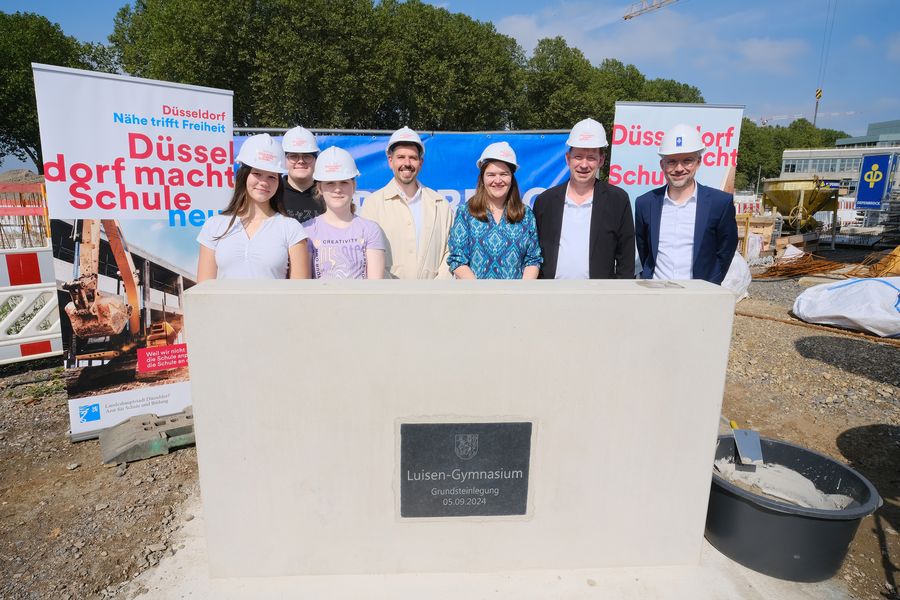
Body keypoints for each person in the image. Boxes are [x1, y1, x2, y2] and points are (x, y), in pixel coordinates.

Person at [197, 133, 310, 281]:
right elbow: (204, 290)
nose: (264, 182)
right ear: (244, 176)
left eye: (271, 176)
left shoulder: (291, 228)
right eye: (257, 173)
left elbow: (299, 293)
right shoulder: (215, 225)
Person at [634, 123, 738, 284]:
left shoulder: (720, 203)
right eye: (671, 161)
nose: (679, 168)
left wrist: (709, 285)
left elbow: (726, 250)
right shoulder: (645, 203)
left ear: (698, 162)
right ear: (662, 165)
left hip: (699, 297)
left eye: (687, 161)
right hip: (656, 294)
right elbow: (644, 250)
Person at [532, 118, 635, 279]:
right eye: (578, 156)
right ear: (568, 159)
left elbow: (626, 260)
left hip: (598, 297)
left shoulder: (618, 200)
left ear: (601, 160)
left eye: (591, 158)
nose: (584, 165)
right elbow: (533, 253)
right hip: (552, 296)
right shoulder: (545, 201)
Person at [359, 127, 452, 279]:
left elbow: (450, 252)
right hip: (389, 299)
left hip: (433, 298)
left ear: (420, 163)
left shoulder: (440, 204)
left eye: (413, 158)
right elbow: (367, 255)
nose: (407, 163)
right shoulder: (372, 205)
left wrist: (436, 290)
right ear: (390, 161)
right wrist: (394, 294)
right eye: (401, 157)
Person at [447, 142, 541, 279]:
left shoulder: (525, 215)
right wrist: (480, 293)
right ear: (482, 178)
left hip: (514, 298)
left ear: (511, 178)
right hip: (476, 296)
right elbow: (457, 259)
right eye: (491, 175)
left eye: (504, 174)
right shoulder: (466, 213)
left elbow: (533, 259)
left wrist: (522, 293)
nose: (498, 180)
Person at [302, 146, 386, 279]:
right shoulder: (307, 230)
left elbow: (374, 287)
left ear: (353, 186)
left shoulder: (370, 229)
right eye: (330, 183)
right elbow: (304, 286)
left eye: (344, 183)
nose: (337, 189)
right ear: (320, 188)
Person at [281, 126, 324, 224]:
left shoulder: (326, 194)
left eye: (307, 156)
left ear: (316, 160)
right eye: (293, 156)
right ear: (284, 160)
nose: (300, 161)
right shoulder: (274, 193)